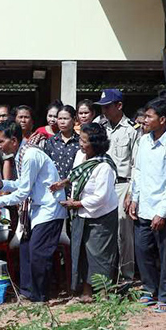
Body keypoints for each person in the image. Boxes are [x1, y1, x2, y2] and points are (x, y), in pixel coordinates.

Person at [0, 121, 66, 302]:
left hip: (49, 209)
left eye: (1, 141)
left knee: (38, 253)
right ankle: (28, 293)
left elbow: (23, 192)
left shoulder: (30, 155)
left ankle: (40, 296)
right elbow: (23, 183)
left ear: (13, 140)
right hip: (37, 209)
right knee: (26, 250)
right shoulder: (22, 153)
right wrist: (4, 184)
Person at [129, 96, 166, 313]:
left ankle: (164, 296)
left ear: (162, 120)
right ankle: (149, 290)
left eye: (149, 116)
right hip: (144, 207)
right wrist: (134, 198)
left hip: (165, 212)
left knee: (165, 255)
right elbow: (138, 171)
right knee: (142, 251)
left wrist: (162, 212)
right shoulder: (143, 141)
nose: (144, 120)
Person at [60, 122, 118, 302]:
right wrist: (63, 184)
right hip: (81, 214)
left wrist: (77, 203)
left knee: (100, 255)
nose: (81, 144)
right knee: (82, 252)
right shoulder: (80, 156)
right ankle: (86, 292)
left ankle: (104, 293)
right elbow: (76, 177)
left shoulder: (104, 166)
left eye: (85, 141)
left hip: (101, 216)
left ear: (95, 143)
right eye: (81, 140)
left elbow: (101, 196)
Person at [93, 89, 139, 284]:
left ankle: (126, 276)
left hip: (122, 184)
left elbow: (136, 164)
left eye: (107, 106)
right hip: (101, 184)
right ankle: (106, 276)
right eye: (102, 107)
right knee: (103, 231)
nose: (103, 110)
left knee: (123, 233)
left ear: (119, 106)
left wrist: (131, 192)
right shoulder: (99, 126)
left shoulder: (132, 129)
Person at [42, 105, 80, 181]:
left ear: (74, 119)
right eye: (60, 119)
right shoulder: (50, 142)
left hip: (74, 185)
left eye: (65, 119)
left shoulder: (80, 142)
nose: (62, 122)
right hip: (54, 185)